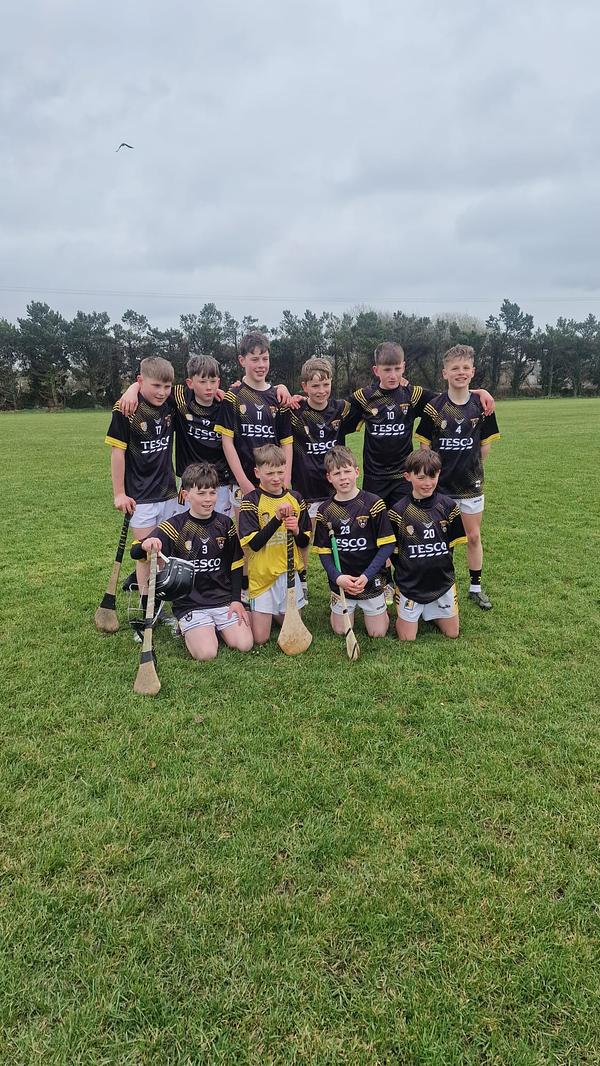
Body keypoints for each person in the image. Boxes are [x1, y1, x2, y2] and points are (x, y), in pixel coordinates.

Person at [136, 462, 253, 660]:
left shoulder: (225, 524)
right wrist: (146, 545)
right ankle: (188, 627)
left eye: (212, 493)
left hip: (222, 600)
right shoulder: (175, 526)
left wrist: (236, 600)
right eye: (201, 493)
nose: (208, 499)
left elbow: (236, 564)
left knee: (245, 644)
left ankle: (211, 628)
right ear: (186, 494)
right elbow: (135, 551)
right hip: (191, 604)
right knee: (206, 653)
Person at [415, 344, 500, 609]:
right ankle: (442, 587)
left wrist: (471, 468)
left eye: (465, 368)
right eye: (454, 368)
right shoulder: (435, 407)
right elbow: (424, 446)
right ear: (445, 373)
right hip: (441, 487)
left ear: (472, 372)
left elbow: (485, 446)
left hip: (470, 485)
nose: (460, 372)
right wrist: (431, 476)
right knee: (442, 541)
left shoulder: (482, 406)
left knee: (473, 537)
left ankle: (475, 588)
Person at [118, 353, 233, 517]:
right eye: (202, 381)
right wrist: (132, 390)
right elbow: (154, 383)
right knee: (185, 528)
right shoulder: (180, 397)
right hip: (190, 483)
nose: (208, 387)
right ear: (190, 383)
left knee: (220, 527)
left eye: (213, 382)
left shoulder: (226, 404)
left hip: (221, 483)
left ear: (218, 382)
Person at [105, 355, 180, 596]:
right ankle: (147, 603)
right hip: (140, 496)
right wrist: (119, 494)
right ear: (140, 381)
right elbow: (117, 453)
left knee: (166, 551)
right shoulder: (126, 408)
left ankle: (158, 600)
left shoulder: (171, 403)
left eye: (167, 386)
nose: (162, 392)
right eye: (156, 385)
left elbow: (198, 388)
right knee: (147, 553)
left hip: (168, 491)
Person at [312, 445, 396, 638]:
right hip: (342, 582)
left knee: (377, 633)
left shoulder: (374, 503)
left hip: (370, 579)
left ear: (357, 472)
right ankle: (341, 603)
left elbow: (387, 545)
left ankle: (380, 600)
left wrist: (366, 575)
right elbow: (324, 552)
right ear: (329, 477)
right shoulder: (325, 510)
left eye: (347, 471)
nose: (343, 477)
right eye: (337, 473)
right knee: (341, 630)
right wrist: (338, 578)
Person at [388, 448, 467, 641]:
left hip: (442, 583)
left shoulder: (449, 507)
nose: (428, 483)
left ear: (439, 473)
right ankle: (415, 611)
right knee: (407, 638)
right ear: (407, 476)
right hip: (410, 585)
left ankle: (431, 611)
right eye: (421, 477)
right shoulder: (397, 512)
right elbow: (393, 554)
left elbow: (451, 547)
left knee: (452, 633)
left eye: (432, 476)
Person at [238, 444, 312, 645]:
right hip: (263, 576)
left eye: (280, 472)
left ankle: (273, 612)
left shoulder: (295, 498)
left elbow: (304, 542)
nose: (276, 478)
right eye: (270, 473)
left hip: (289, 574)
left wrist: (296, 530)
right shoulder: (251, 501)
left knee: (294, 626)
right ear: (257, 472)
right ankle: (248, 609)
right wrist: (277, 519)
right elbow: (254, 544)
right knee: (260, 638)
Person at [289, 356, 351, 592]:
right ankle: (302, 581)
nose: (321, 390)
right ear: (304, 386)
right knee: (304, 537)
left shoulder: (341, 409)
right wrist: (283, 389)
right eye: (315, 385)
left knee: (340, 538)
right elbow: (270, 397)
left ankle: (342, 580)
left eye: (326, 384)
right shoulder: (295, 412)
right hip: (306, 488)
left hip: (335, 489)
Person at [215, 332, 294, 512]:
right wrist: (243, 482)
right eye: (255, 359)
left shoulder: (279, 397)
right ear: (242, 360)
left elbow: (286, 443)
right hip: (243, 485)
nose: (261, 365)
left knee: (277, 529)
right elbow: (227, 443)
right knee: (246, 530)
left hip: (274, 482)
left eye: (265, 359)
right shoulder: (233, 397)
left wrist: (286, 479)